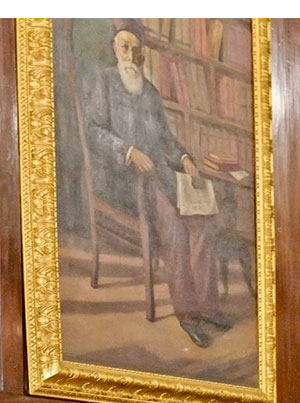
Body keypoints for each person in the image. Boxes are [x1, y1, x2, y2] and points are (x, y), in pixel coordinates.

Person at [84, 21, 229, 348]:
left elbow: (165, 139)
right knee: (175, 228)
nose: (130, 56)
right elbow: (93, 131)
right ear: (115, 49)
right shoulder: (103, 82)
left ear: (143, 54)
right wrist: (129, 152)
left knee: (203, 221)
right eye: (125, 48)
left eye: (136, 50)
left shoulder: (149, 92)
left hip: (159, 178)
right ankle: (189, 315)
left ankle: (207, 308)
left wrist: (184, 158)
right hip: (122, 181)